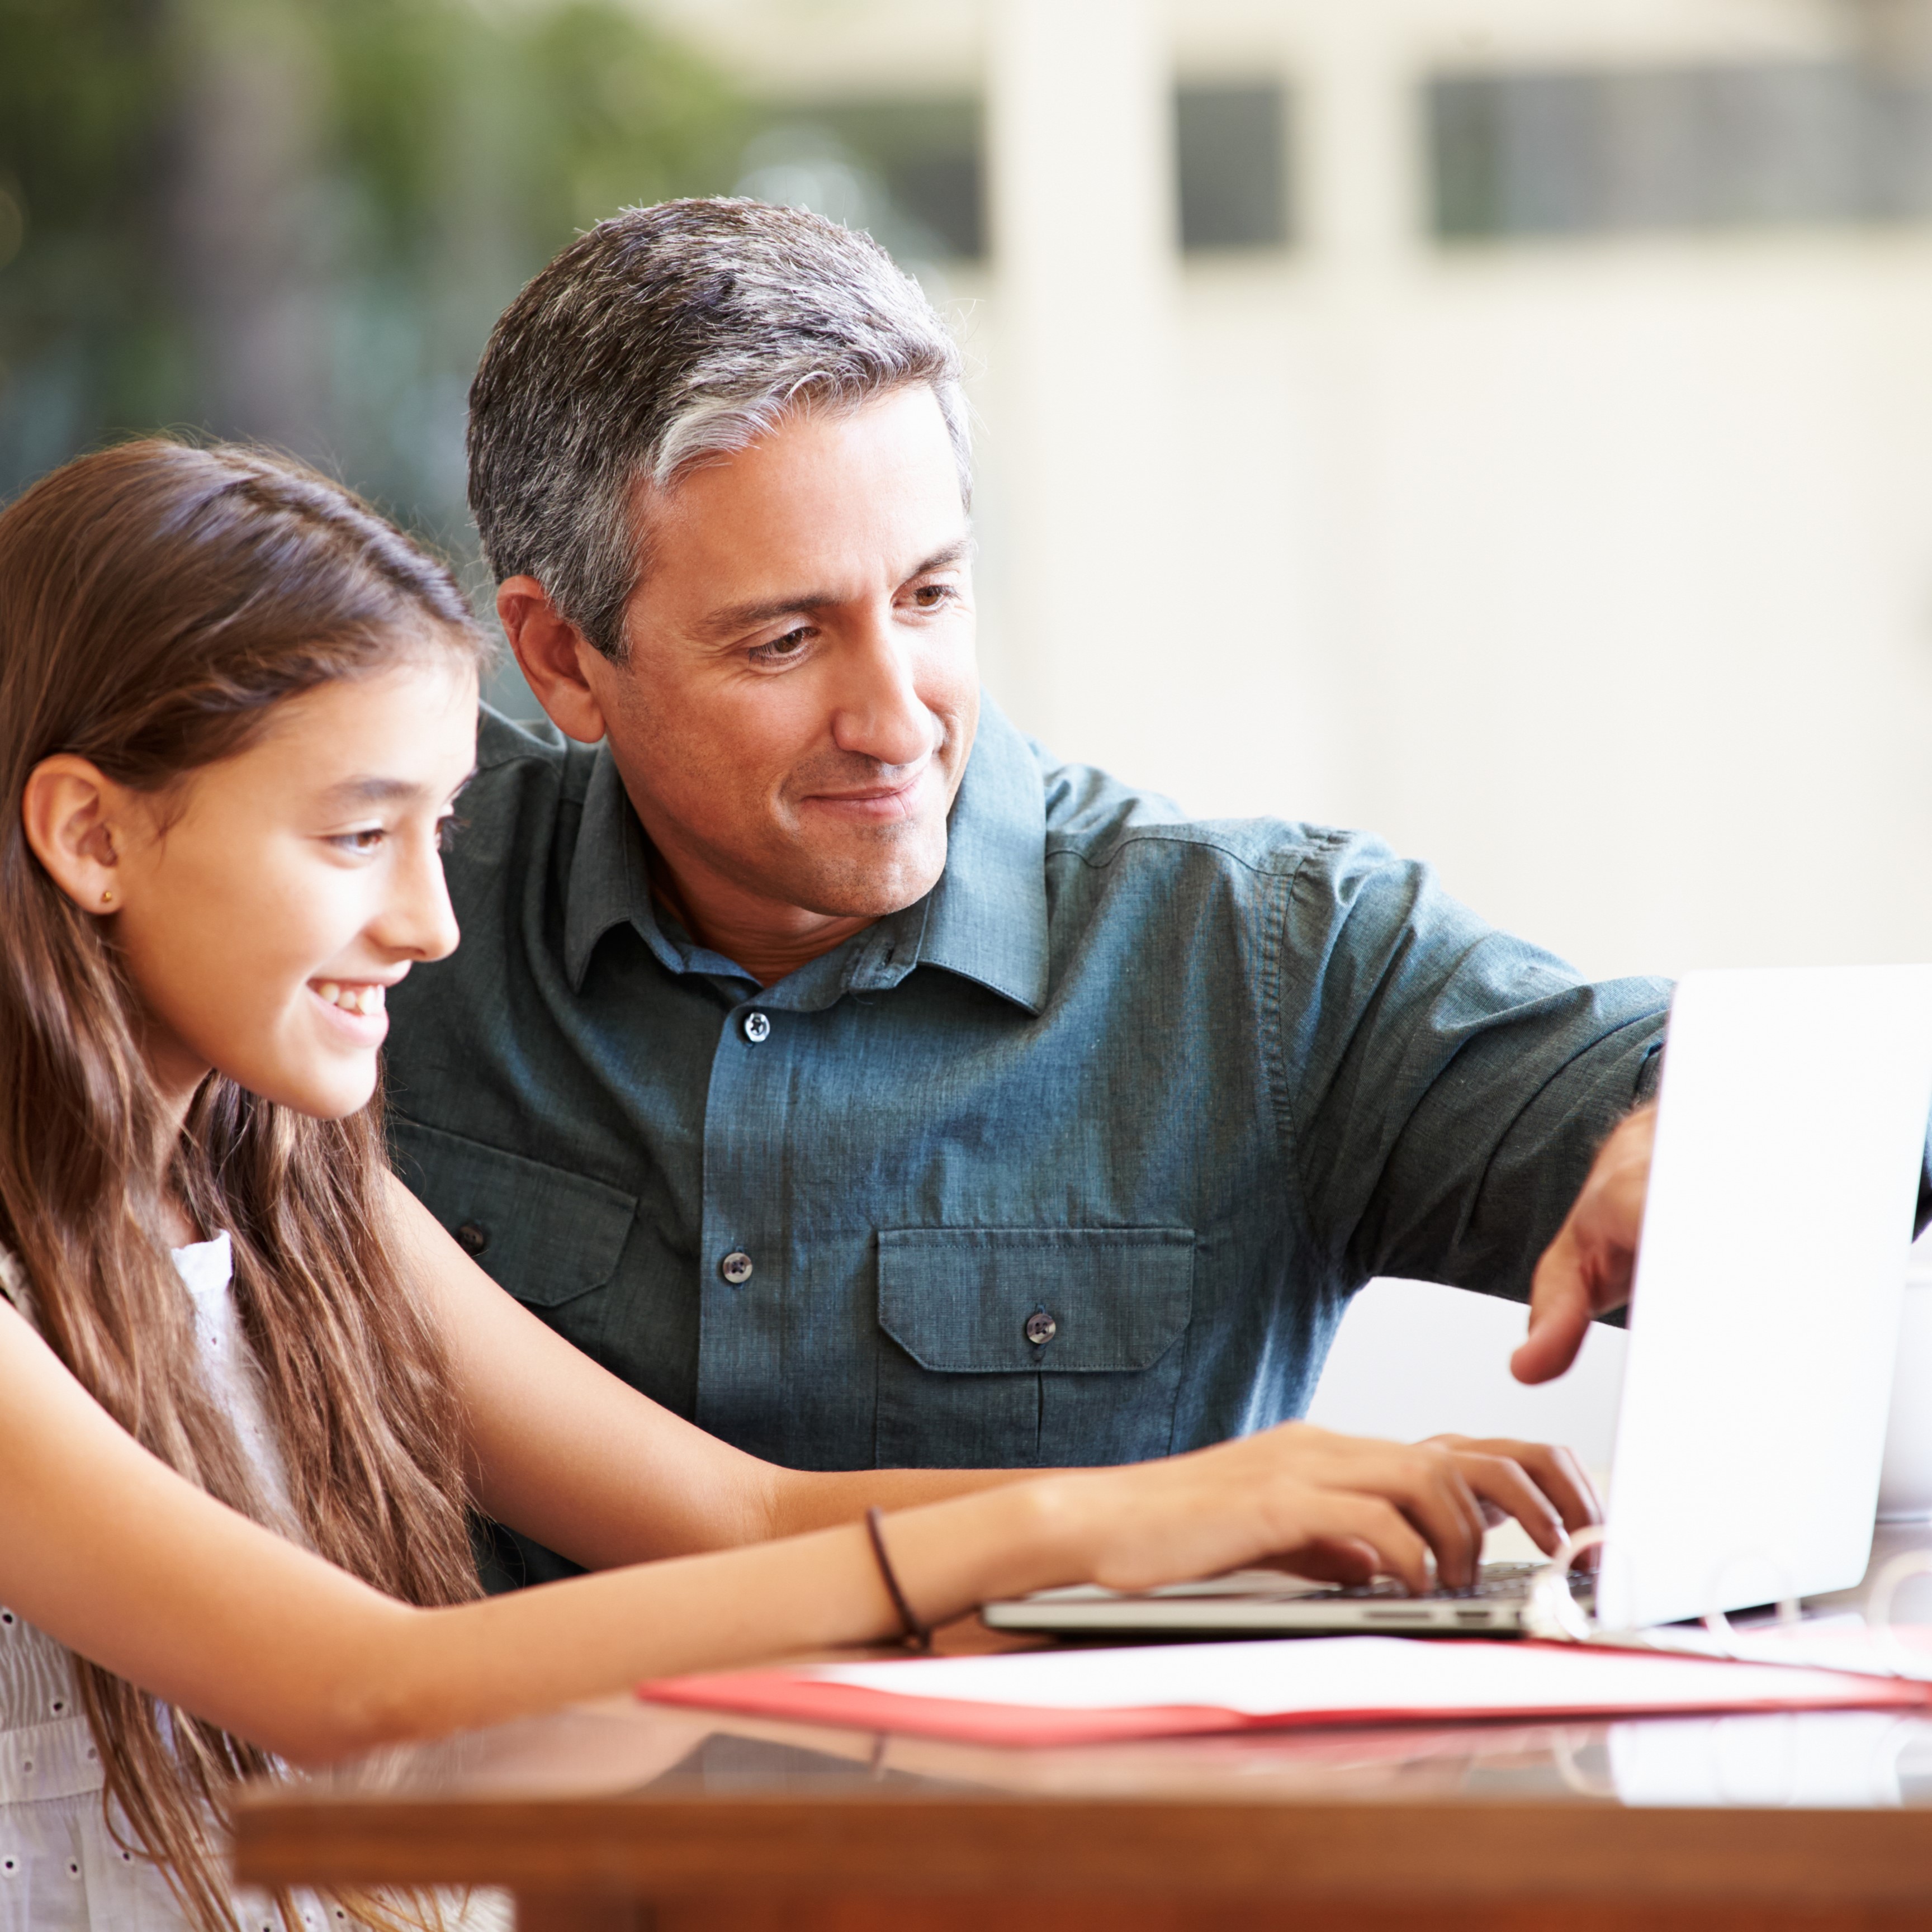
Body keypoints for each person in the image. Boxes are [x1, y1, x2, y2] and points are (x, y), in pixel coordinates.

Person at [0, 438, 1598, 1932]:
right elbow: (361, 1691)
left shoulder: (290, 1194)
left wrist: (1217, 1527)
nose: (433, 925)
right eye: (358, 838)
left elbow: (728, 1516)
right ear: (88, 836)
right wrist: (1078, 1523)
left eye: (438, 834)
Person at [380, 198, 1705, 1588]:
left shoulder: (1264, 957)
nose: (896, 720)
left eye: (932, 597)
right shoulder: (385, 923)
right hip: (520, 1809)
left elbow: (1826, 1095)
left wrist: (1704, 1127)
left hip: (1079, 1810)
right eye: (785, 640)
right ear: (562, 659)